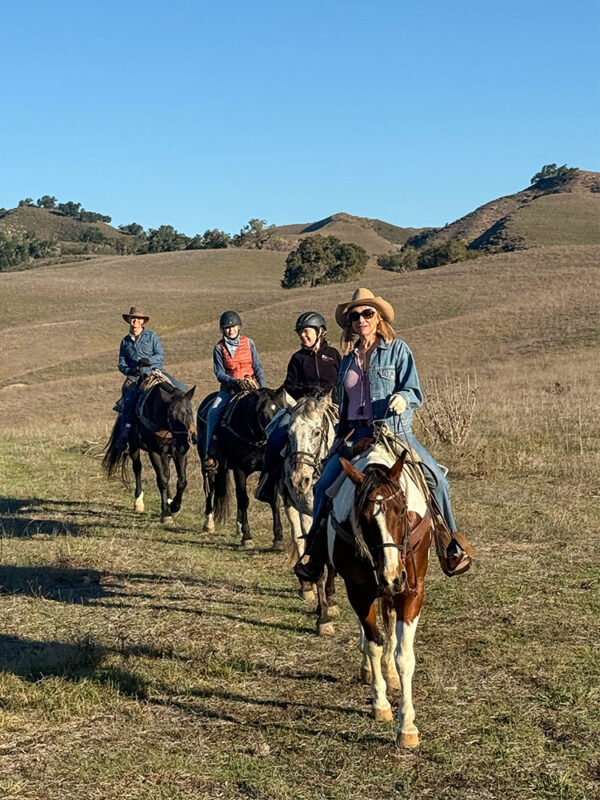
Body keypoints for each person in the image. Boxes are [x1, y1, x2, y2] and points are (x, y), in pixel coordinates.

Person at [294, 287, 473, 582]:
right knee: (322, 488)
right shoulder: (347, 360)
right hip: (354, 435)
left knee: (438, 481)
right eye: (355, 316)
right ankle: (314, 554)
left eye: (367, 313)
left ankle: (450, 545)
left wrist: (403, 397)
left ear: (378, 317)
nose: (361, 319)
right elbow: (344, 405)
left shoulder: (398, 349)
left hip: (393, 432)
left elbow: (413, 390)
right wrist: (341, 440)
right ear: (350, 324)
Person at [255, 311, 341, 502]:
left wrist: (332, 396)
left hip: (329, 407)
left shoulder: (333, 355)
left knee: (348, 437)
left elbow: (341, 381)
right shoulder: (297, 358)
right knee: (277, 433)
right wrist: (306, 389)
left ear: (320, 332)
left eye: (306, 331)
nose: (303, 335)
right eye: (300, 332)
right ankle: (267, 481)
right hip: (301, 408)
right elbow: (289, 385)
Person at [115, 306, 188, 451]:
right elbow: (121, 362)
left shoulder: (152, 336)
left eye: (138, 319)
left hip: (155, 372)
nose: (135, 321)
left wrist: (148, 361)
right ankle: (124, 435)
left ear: (143, 321)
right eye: (132, 318)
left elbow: (160, 355)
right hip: (135, 376)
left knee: (183, 391)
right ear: (129, 321)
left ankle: (189, 428)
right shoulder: (125, 342)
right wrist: (129, 370)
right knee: (128, 401)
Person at [203, 311, 266, 468]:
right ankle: (210, 450)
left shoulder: (249, 343)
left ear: (239, 327)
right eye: (227, 328)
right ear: (222, 330)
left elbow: (257, 366)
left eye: (233, 327)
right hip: (229, 390)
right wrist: (235, 382)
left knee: (269, 410)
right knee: (213, 412)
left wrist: (263, 388)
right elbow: (219, 373)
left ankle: (274, 447)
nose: (230, 330)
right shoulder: (219, 348)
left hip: (252, 386)